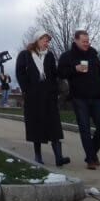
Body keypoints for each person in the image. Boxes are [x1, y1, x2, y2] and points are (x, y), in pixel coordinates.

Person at [57, 29, 100, 170]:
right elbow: (60, 73)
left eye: (87, 41)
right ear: (76, 40)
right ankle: (91, 160)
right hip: (79, 97)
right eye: (84, 41)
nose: (86, 44)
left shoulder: (93, 54)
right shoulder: (67, 56)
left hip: (96, 97)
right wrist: (74, 69)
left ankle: (92, 153)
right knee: (84, 128)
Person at [15, 31, 70, 166]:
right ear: (37, 40)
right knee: (36, 125)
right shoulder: (25, 55)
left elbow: (54, 74)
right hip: (33, 96)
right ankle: (38, 155)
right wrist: (26, 89)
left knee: (54, 125)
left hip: (49, 95)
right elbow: (20, 73)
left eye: (48, 40)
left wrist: (55, 90)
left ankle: (58, 157)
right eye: (45, 40)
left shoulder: (49, 55)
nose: (47, 43)